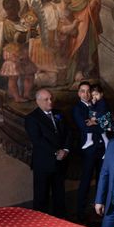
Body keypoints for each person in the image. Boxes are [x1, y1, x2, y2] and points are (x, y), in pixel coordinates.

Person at [25, 88, 71, 218]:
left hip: (61, 161)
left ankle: (61, 222)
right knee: (41, 196)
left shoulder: (59, 114)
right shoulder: (32, 118)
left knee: (59, 194)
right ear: (38, 101)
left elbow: (68, 133)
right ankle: (40, 223)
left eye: (51, 98)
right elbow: (37, 140)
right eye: (46, 99)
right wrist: (56, 152)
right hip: (43, 163)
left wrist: (66, 149)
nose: (50, 102)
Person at [72, 81, 106, 223]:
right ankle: (81, 213)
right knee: (86, 181)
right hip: (88, 150)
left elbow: (107, 122)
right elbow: (85, 128)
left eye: (88, 91)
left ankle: (98, 211)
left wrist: (99, 124)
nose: (86, 94)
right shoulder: (77, 108)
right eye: (83, 91)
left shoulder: (96, 104)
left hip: (101, 148)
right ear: (79, 93)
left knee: (101, 180)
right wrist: (101, 126)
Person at [0, 0, 37, 103]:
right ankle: (16, 97)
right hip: (11, 52)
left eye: (14, 8)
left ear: (18, 8)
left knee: (29, 73)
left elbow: (29, 35)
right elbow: (10, 38)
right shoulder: (3, 24)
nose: (11, 11)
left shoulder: (23, 21)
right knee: (13, 76)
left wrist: (32, 34)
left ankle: (27, 94)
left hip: (23, 51)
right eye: (8, 8)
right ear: (5, 9)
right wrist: (26, 35)